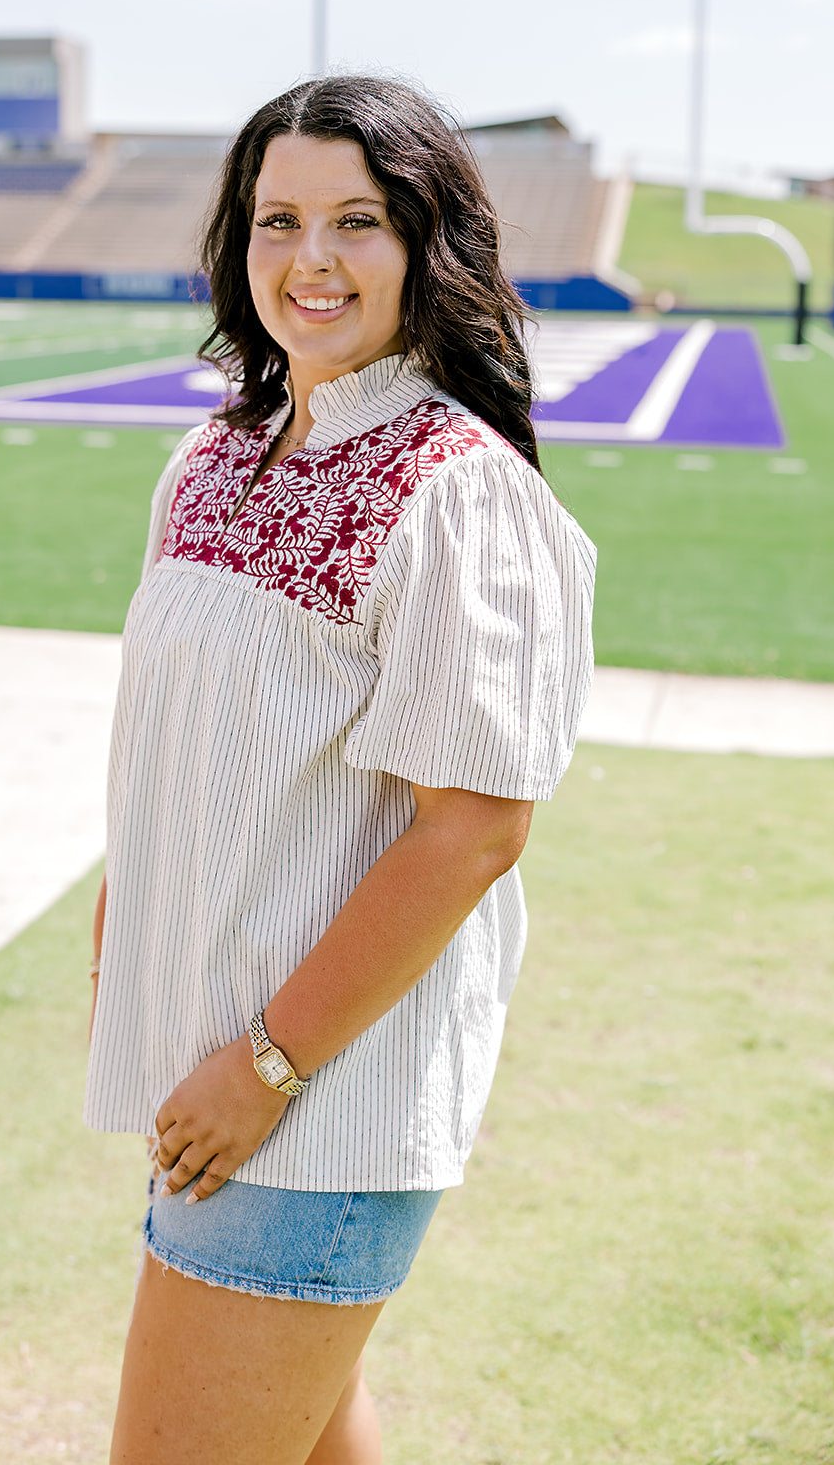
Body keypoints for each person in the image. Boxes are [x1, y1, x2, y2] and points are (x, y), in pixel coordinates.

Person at [84, 74, 596, 1465]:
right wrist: (123, 955)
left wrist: (261, 1065)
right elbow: (170, 749)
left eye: (358, 221)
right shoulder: (212, 456)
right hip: (207, 1077)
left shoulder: (457, 486)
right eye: (277, 219)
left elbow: (473, 831)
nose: (309, 259)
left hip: (315, 1107)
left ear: (430, 245)